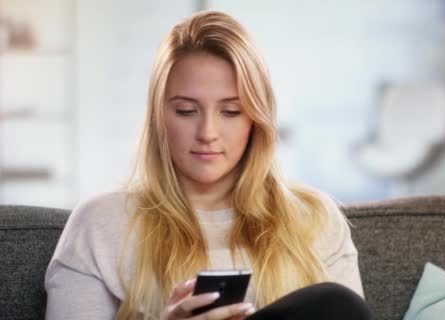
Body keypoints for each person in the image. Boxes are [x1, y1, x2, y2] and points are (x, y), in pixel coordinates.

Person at [44, 10, 372, 320]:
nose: (208, 134)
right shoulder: (99, 225)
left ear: (256, 119)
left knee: (335, 303)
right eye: (186, 111)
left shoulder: (315, 218)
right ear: (159, 117)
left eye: (230, 112)